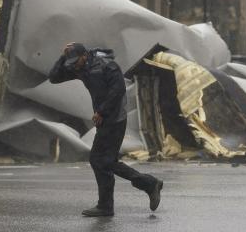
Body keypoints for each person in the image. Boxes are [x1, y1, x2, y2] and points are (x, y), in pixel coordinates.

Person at [49, 42, 163, 217]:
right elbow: (54, 78)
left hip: (115, 117)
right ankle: (110, 203)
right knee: (101, 160)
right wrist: (63, 56)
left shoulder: (107, 65)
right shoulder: (80, 67)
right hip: (104, 118)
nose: (74, 66)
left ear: (84, 56)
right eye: (71, 63)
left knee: (103, 160)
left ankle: (145, 185)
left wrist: (102, 111)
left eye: (75, 61)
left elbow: (118, 90)